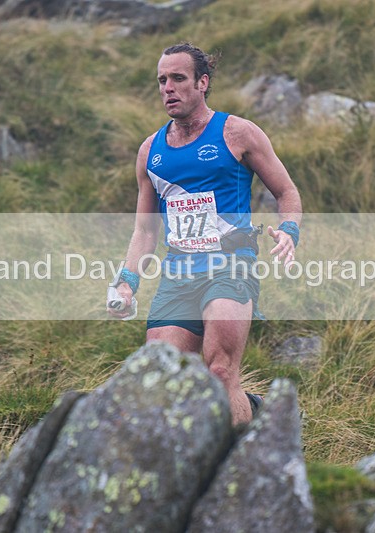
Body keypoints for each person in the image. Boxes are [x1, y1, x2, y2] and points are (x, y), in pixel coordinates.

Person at [107, 42, 302, 426]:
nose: (168, 87)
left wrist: (289, 229)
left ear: (202, 83)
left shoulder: (238, 133)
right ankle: (260, 415)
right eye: (162, 80)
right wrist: (127, 281)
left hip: (231, 265)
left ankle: (236, 464)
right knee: (160, 378)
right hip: (178, 272)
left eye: (178, 78)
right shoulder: (151, 151)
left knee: (218, 374)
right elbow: (145, 230)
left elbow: (286, 191)